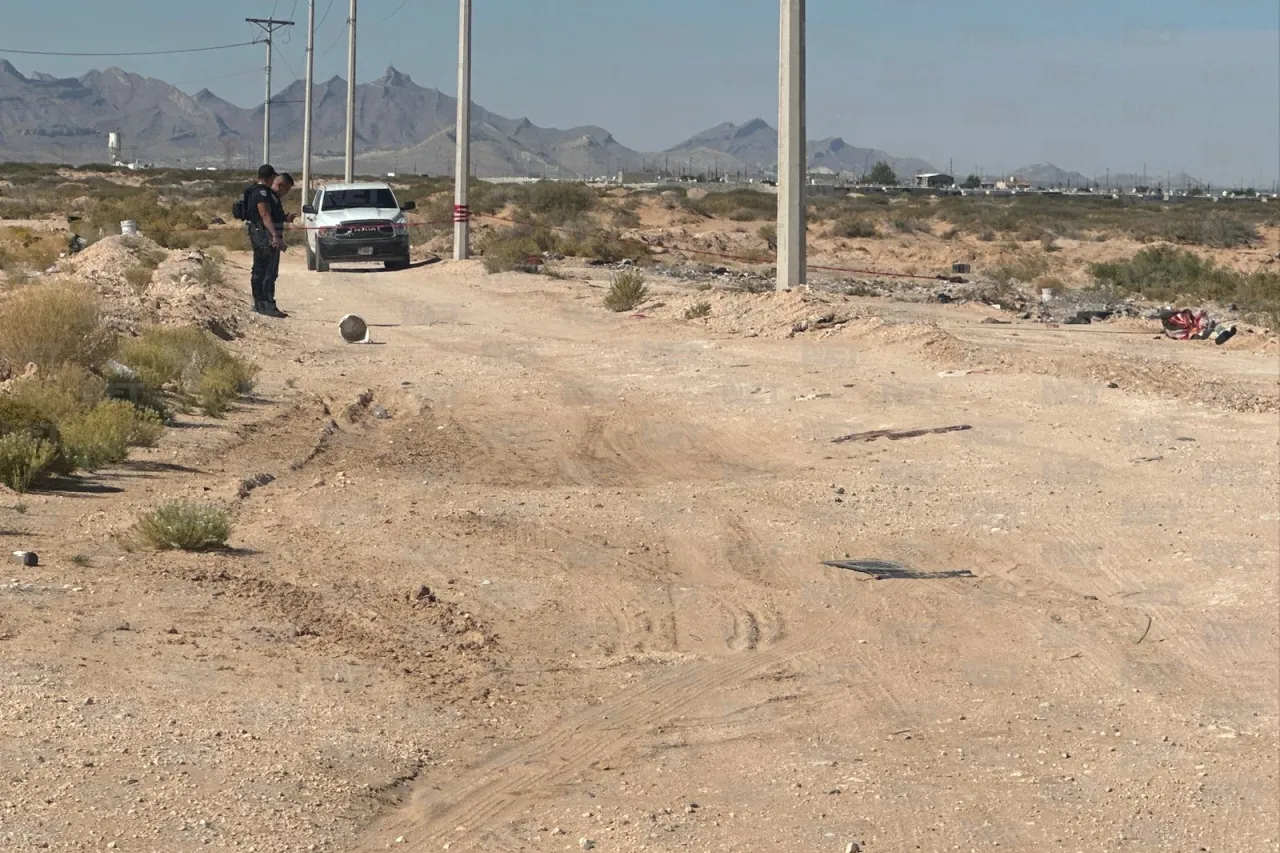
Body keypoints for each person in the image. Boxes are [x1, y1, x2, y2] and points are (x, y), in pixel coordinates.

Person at [246, 164, 288, 318]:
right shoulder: (261, 193)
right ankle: (263, 305)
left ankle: (264, 304)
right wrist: (275, 236)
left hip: (262, 235)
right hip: (263, 237)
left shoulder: (260, 192)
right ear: (270, 178)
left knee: (265, 271)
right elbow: (265, 216)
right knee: (264, 271)